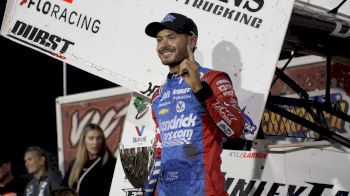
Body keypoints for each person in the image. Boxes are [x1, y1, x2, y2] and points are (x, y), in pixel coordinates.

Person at [143, 13, 245, 196]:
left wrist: (200, 90)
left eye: (171, 37)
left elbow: (235, 129)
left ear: (191, 41)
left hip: (203, 190)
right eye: (159, 40)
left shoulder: (212, 79)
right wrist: (149, 189)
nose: (163, 45)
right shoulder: (158, 96)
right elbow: (160, 152)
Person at [62, 123, 116, 196]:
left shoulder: (111, 163)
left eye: (99, 138)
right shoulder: (75, 163)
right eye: (91, 138)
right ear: (84, 141)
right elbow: (64, 188)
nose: (95, 142)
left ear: (103, 140)